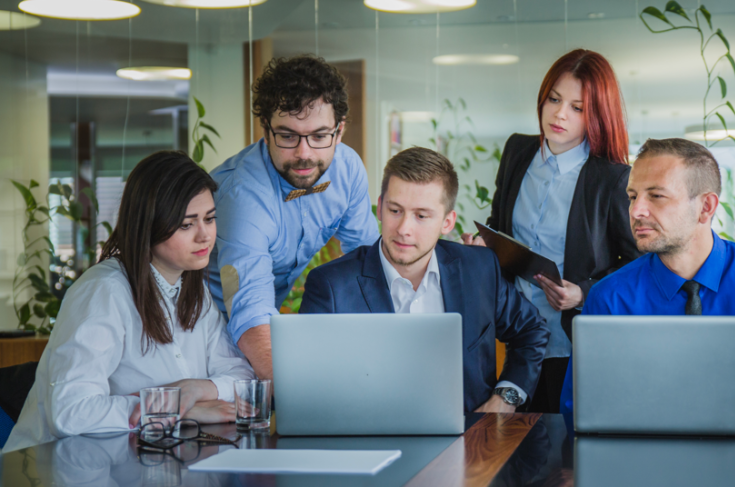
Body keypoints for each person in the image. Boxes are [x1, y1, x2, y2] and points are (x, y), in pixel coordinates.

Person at [560, 137, 735, 415]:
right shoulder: (610, 299)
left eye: (656, 196)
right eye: (633, 197)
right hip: (652, 447)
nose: (636, 211)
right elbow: (583, 407)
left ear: (706, 207)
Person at [3, 152, 255, 453]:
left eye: (210, 219)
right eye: (186, 225)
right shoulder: (103, 291)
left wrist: (197, 389)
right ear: (149, 224)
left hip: (142, 458)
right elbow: (70, 413)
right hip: (50, 465)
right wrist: (174, 409)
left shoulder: (194, 290)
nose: (205, 236)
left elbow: (242, 378)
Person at [300, 147, 550, 413]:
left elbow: (531, 331)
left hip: (470, 435)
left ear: (447, 222)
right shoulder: (330, 286)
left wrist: (506, 398)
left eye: (421, 216)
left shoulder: (480, 268)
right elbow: (308, 383)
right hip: (370, 435)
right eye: (395, 210)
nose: (404, 229)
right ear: (380, 207)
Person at [462, 49, 641, 413]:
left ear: (597, 115)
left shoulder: (611, 179)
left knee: (561, 440)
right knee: (505, 436)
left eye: (577, 108)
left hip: (570, 342)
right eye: (554, 99)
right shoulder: (517, 150)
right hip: (510, 334)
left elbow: (637, 263)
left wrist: (583, 293)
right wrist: (484, 244)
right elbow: (499, 222)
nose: (560, 114)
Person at [208, 54, 380, 380]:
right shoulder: (242, 197)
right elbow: (250, 310)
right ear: (266, 129)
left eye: (319, 136)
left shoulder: (347, 170)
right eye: (288, 136)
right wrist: (297, 395)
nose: (304, 154)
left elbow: (368, 264)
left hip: (269, 327)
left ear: (339, 131)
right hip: (208, 333)